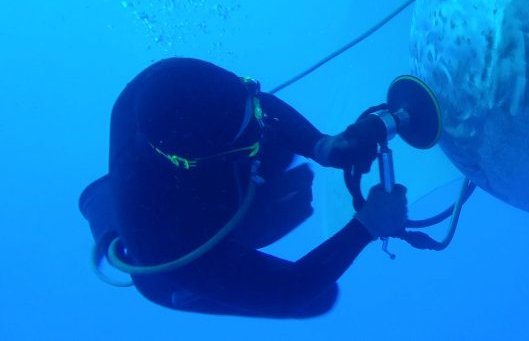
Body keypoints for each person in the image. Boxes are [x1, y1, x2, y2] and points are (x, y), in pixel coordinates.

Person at [79, 57, 408, 318]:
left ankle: (242, 161)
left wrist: (321, 145)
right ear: (206, 159)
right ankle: (198, 274)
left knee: (270, 137)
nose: (259, 121)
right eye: (244, 136)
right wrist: (366, 227)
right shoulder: (167, 246)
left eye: (249, 102)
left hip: (186, 176)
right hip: (178, 258)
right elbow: (289, 292)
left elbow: (258, 106)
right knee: (319, 298)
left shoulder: (160, 81)